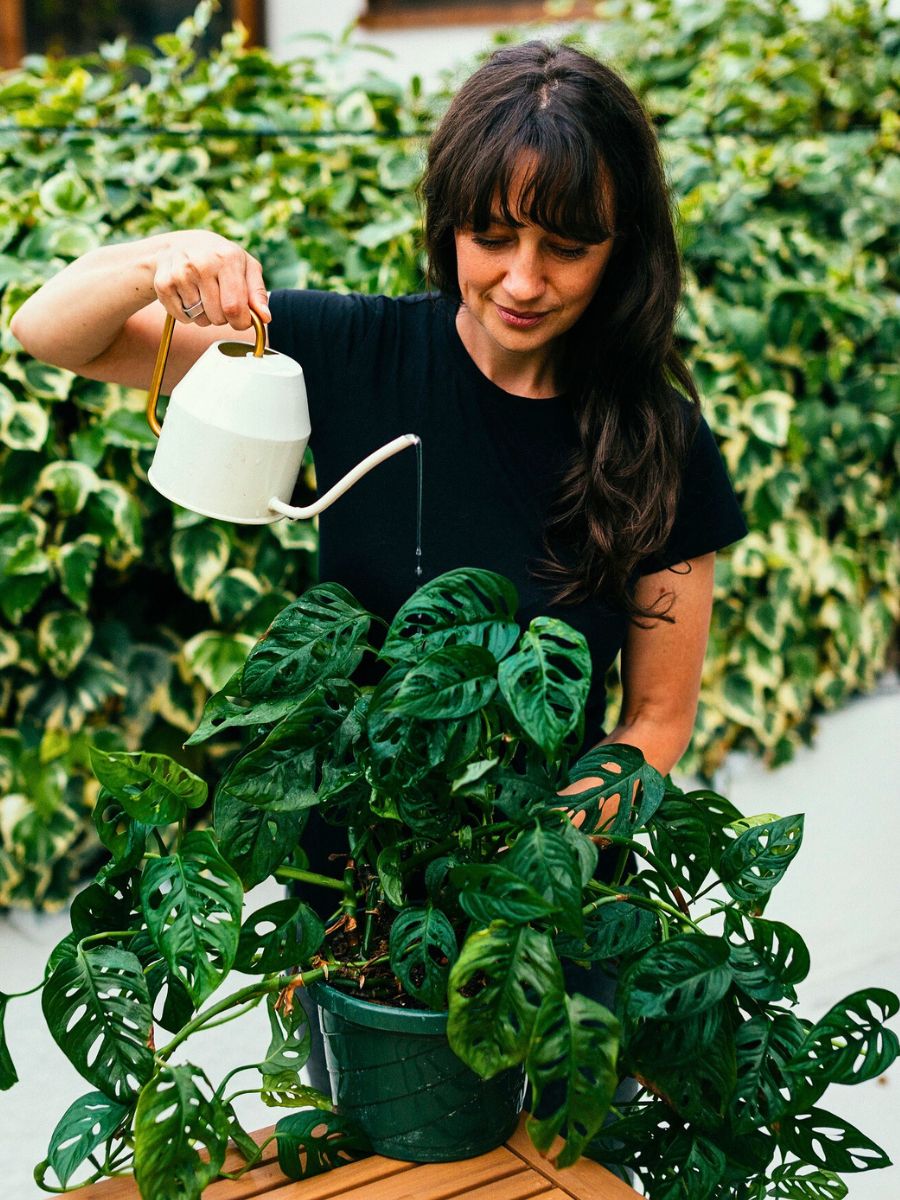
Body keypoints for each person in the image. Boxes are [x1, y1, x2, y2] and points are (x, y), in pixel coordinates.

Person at [11, 40, 746, 1129]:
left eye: (568, 246)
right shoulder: (345, 353)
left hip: (536, 918)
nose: (523, 281)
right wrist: (167, 254)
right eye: (491, 236)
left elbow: (657, 714)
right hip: (350, 914)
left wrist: (523, 864)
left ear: (622, 249)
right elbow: (48, 334)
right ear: (448, 220)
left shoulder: (660, 442)